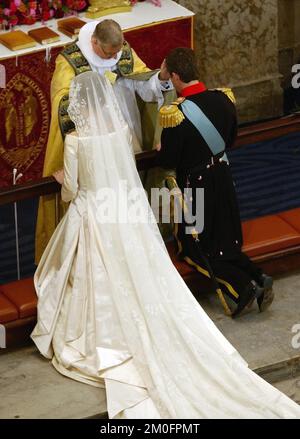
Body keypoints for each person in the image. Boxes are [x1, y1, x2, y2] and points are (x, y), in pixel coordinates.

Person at [31, 71, 300, 419]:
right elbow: (124, 170)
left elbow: (71, 191)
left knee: (95, 274)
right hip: (128, 209)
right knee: (142, 267)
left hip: (95, 212)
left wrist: (63, 181)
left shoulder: (75, 141)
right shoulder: (122, 131)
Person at [35, 18, 174, 263]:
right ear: (94, 42)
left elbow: (144, 86)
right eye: (109, 54)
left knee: (127, 197)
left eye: (117, 53)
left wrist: (160, 79)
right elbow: (62, 105)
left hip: (126, 139)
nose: (113, 59)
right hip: (92, 146)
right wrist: (101, 88)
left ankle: (131, 249)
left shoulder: (122, 53)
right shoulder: (70, 62)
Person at [156, 47, 274, 318]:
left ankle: (242, 287)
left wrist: (163, 147)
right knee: (226, 240)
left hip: (197, 187)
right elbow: (230, 141)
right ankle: (258, 274)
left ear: (175, 76)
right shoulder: (224, 99)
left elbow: (167, 160)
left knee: (197, 249)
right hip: (223, 175)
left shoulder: (176, 114)